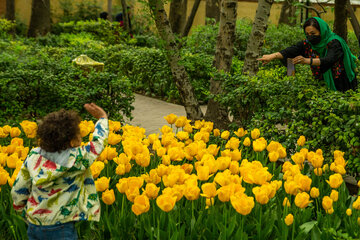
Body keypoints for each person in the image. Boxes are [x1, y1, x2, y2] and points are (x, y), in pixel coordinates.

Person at [11, 103, 109, 240]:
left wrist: (20, 209)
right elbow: (98, 143)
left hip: (34, 224)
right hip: (62, 226)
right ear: (71, 141)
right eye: (79, 135)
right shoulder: (77, 158)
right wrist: (102, 118)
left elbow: (19, 188)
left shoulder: (34, 157)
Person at [258, 17, 358, 92]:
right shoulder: (308, 43)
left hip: (342, 82)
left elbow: (329, 59)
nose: (310, 37)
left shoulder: (335, 42)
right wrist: (272, 56)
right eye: (307, 34)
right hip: (321, 83)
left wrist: (306, 61)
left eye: (313, 33)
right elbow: (291, 51)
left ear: (321, 31)